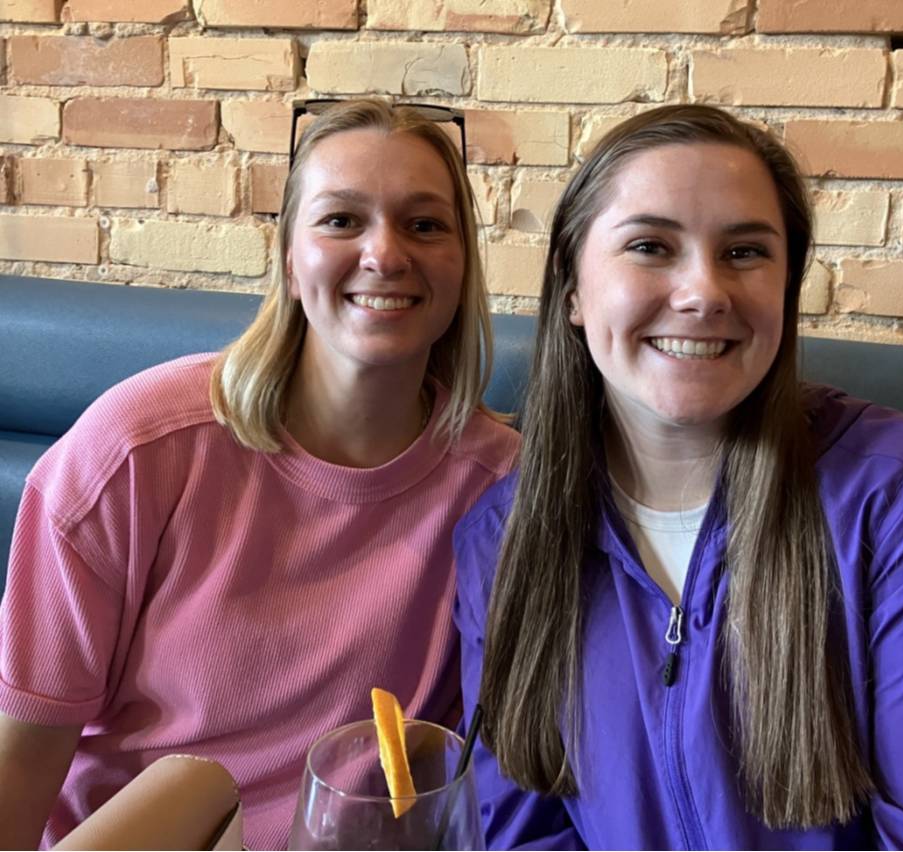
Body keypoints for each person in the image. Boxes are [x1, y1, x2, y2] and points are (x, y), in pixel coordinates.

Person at [453, 104, 903, 849]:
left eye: (745, 252)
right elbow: (520, 833)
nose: (703, 292)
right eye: (651, 246)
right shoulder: (499, 539)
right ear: (571, 289)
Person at [0, 99, 519, 849]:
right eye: (341, 220)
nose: (385, 254)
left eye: (425, 224)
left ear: (462, 264)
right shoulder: (136, 449)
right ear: (287, 257)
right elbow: (21, 769)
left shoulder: (504, 495)